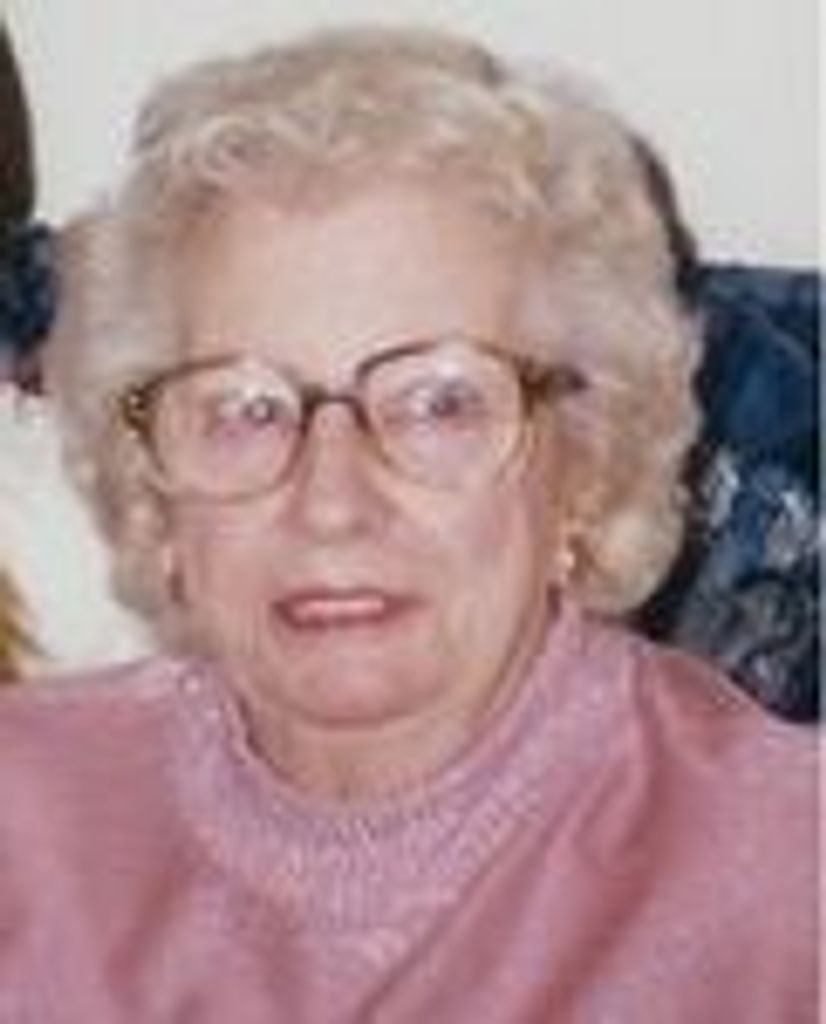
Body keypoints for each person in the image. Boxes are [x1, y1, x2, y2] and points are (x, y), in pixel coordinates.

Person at [0, 25, 816, 1022]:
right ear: (154, 490)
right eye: (245, 408)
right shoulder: (24, 825)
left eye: (439, 403)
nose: (331, 504)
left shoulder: (785, 882)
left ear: (584, 465)